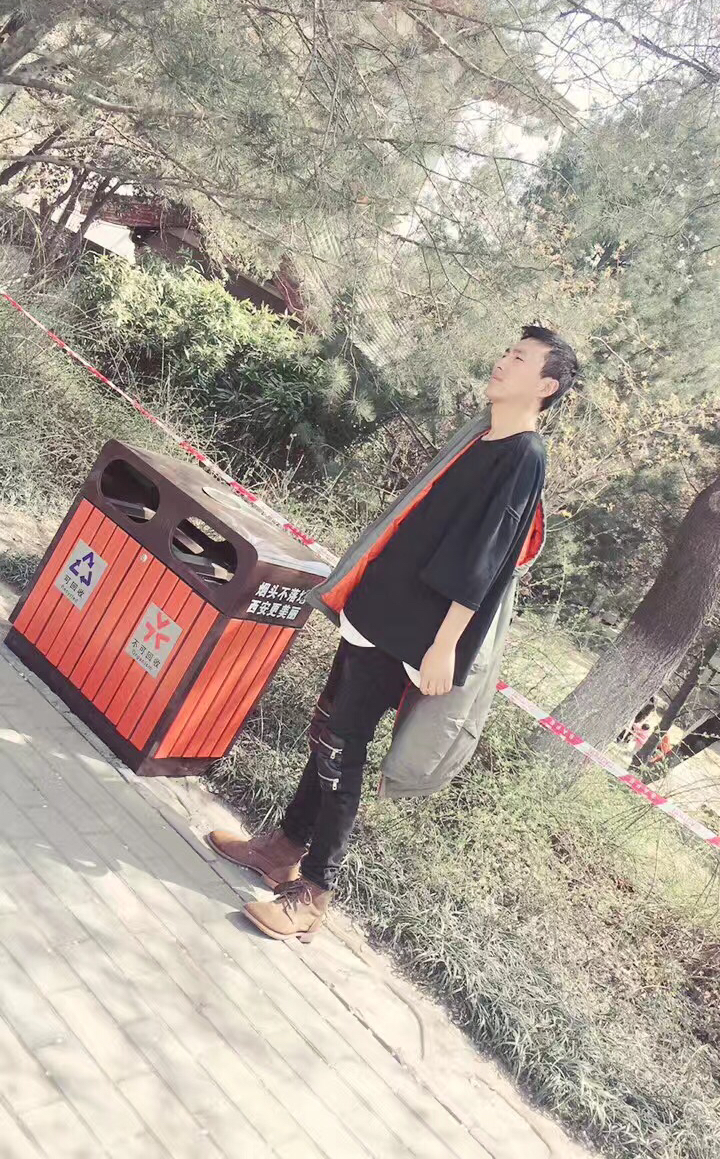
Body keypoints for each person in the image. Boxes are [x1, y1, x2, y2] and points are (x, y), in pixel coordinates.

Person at [208, 325, 580, 940]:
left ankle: (315, 891)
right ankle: (283, 847)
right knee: (328, 728)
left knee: (343, 744)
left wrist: (445, 645)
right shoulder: (483, 435)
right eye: (506, 351)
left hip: (413, 630)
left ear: (545, 387)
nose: (502, 361)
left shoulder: (522, 456)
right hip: (378, 609)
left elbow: (484, 560)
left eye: (519, 358)